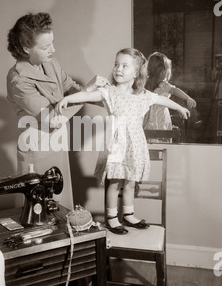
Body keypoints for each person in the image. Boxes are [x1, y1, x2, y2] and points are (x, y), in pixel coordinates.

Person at [58, 48, 191, 234]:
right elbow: (88, 96)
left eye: (124, 66)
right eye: (116, 64)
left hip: (135, 146)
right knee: (114, 183)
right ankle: (112, 218)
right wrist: (69, 98)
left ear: (136, 72)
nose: (118, 69)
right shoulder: (109, 92)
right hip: (117, 146)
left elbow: (162, 99)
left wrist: (180, 108)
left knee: (130, 181)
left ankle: (128, 214)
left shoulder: (143, 95)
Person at [6, 12, 98, 210]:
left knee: (60, 205)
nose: (53, 50)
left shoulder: (51, 63)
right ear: (25, 48)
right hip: (37, 148)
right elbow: (53, 119)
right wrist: (86, 93)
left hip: (57, 143)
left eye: (52, 43)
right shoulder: (19, 80)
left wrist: (106, 96)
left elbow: (72, 88)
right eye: (46, 47)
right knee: (39, 208)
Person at [144, 52, 196, 142]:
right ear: (163, 71)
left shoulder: (147, 83)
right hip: (160, 118)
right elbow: (175, 91)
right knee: (161, 139)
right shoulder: (162, 84)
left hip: (150, 118)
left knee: (151, 139)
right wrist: (187, 98)